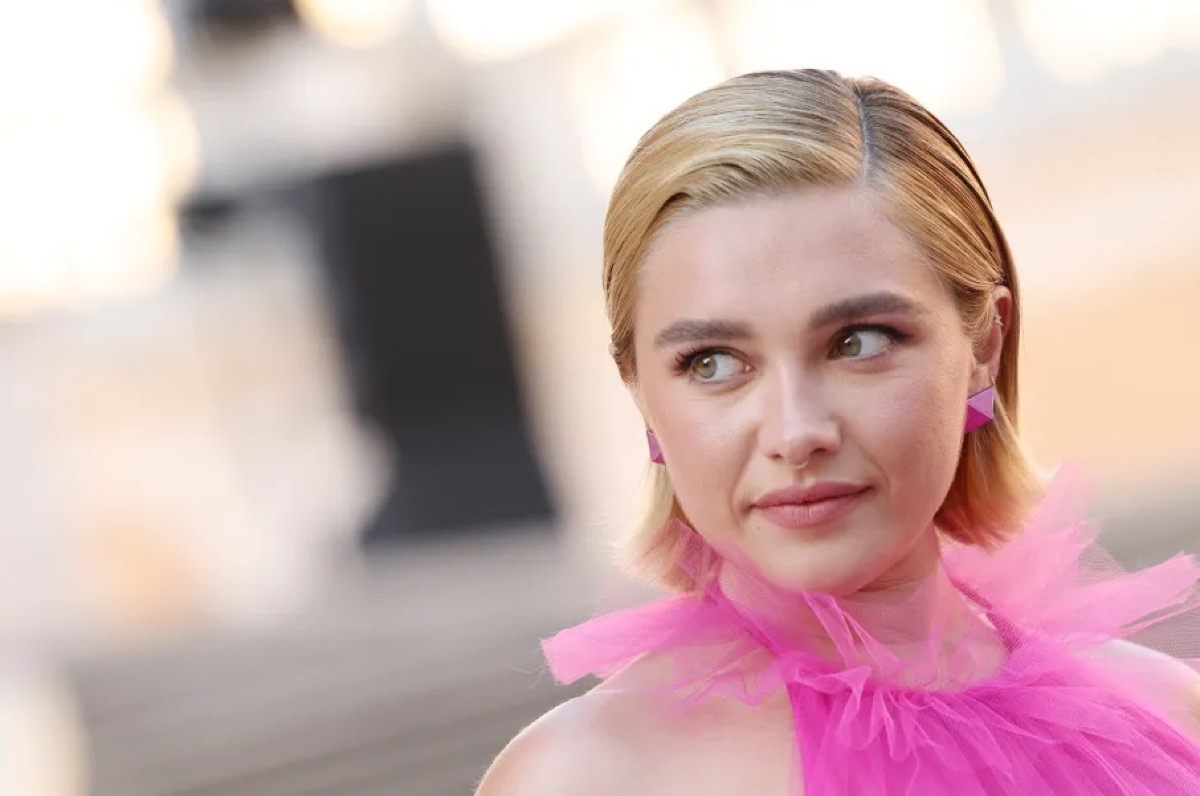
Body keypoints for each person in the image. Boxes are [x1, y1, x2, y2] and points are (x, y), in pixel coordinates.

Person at [475, 69, 1200, 795]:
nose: (796, 434)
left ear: (985, 345)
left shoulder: (1167, 718)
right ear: (640, 392)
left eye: (858, 343)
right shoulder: (583, 778)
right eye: (713, 362)